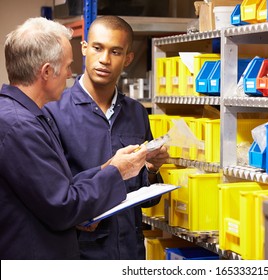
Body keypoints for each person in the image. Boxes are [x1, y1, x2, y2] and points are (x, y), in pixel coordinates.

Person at [0, 17, 149, 260]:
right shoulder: (20, 126)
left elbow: (61, 185)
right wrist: (116, 172)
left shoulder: (29, 118)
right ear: (47, 71)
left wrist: (109, 167)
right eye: (67, 66)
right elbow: (63, 205)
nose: (70, 74)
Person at [44, 16, 169, 259]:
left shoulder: (136, 113)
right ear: (84, 48)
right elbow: (51, 194)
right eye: (97, 48)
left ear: (127, 59)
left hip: (130, 252)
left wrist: (152, 170)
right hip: (81, 254)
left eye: (116, 52)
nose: (104, 59)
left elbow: (146, 201)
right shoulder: (54, 111)